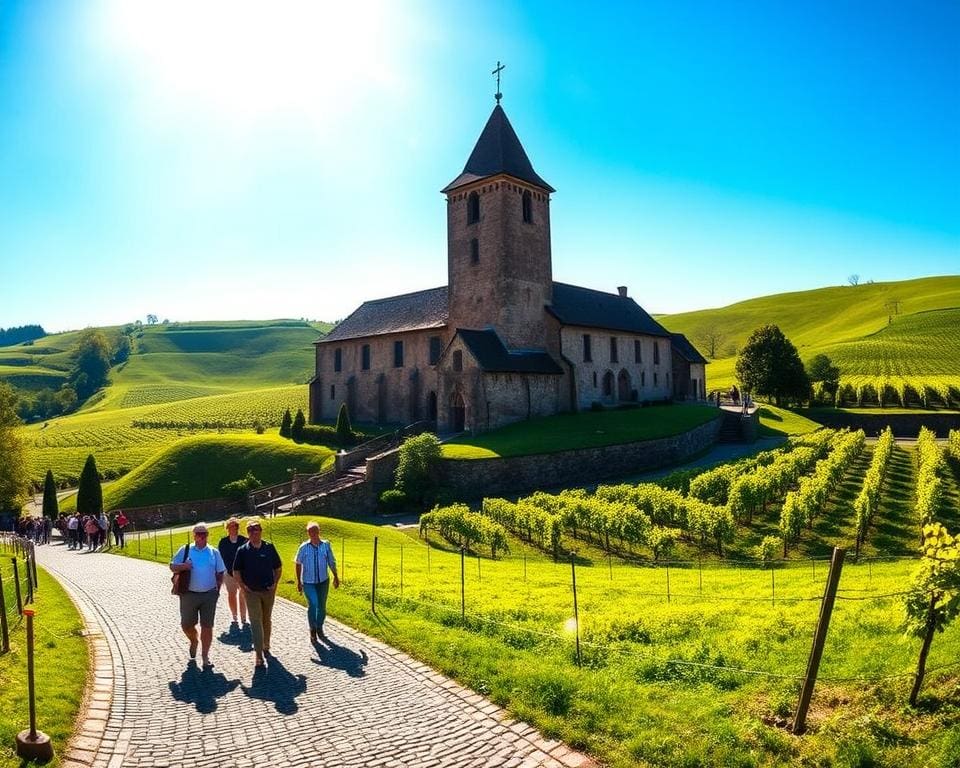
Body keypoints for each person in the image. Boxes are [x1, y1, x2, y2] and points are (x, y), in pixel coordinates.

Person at [169, 522, 226, 668]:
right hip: (189, 594)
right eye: (198, 534)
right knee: (186, 624)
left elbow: (220, 572)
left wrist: (217, 591)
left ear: (207, 535)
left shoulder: (214, 552)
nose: (201, 536)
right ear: (193, 535)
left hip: (209, 595)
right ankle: (194, 640)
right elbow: (172, 566)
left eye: (204, 534)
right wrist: (183, 566)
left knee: (207, 626)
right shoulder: (186, 550)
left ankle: (205, 656)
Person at [232, 519, 282, 668]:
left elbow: (278, 567)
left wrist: (275, 583)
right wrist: (242, 586)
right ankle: (258, 654)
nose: (254, 532)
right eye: (251, 530)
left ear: (261, 531)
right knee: (255, 621)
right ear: (248, 533)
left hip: (268, 590)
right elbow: (236, 571)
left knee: (266, 619)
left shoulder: (269, 547)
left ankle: (266, 644)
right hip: (251, 592)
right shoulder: (242, 550)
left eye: (257, 529)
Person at [295, 521, 340, 642]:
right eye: (310, 531)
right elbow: (298, 563)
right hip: (308, 582)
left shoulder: (326, 545)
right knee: (313, 604)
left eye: (315, 531)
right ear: (308, 533)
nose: (313, 533)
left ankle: (319, 626)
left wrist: (336, 576)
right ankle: (312, 629)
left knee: (322, 607)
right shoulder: (303, 547)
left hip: (323, 581)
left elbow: (331, 561)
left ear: (319, 531)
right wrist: (299, 581)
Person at [216, 517, 248, 630]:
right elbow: (223, 557)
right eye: (230, 527)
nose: (232, 529)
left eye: (235, 527)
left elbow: (247, 556)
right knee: (231, 594)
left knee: (243, 594)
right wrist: (230, 571)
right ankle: (234, 615)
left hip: (242, 573)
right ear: (227, 529)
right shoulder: (223, 542)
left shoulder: (244, 540)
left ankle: (243, 617)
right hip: (229, 573)